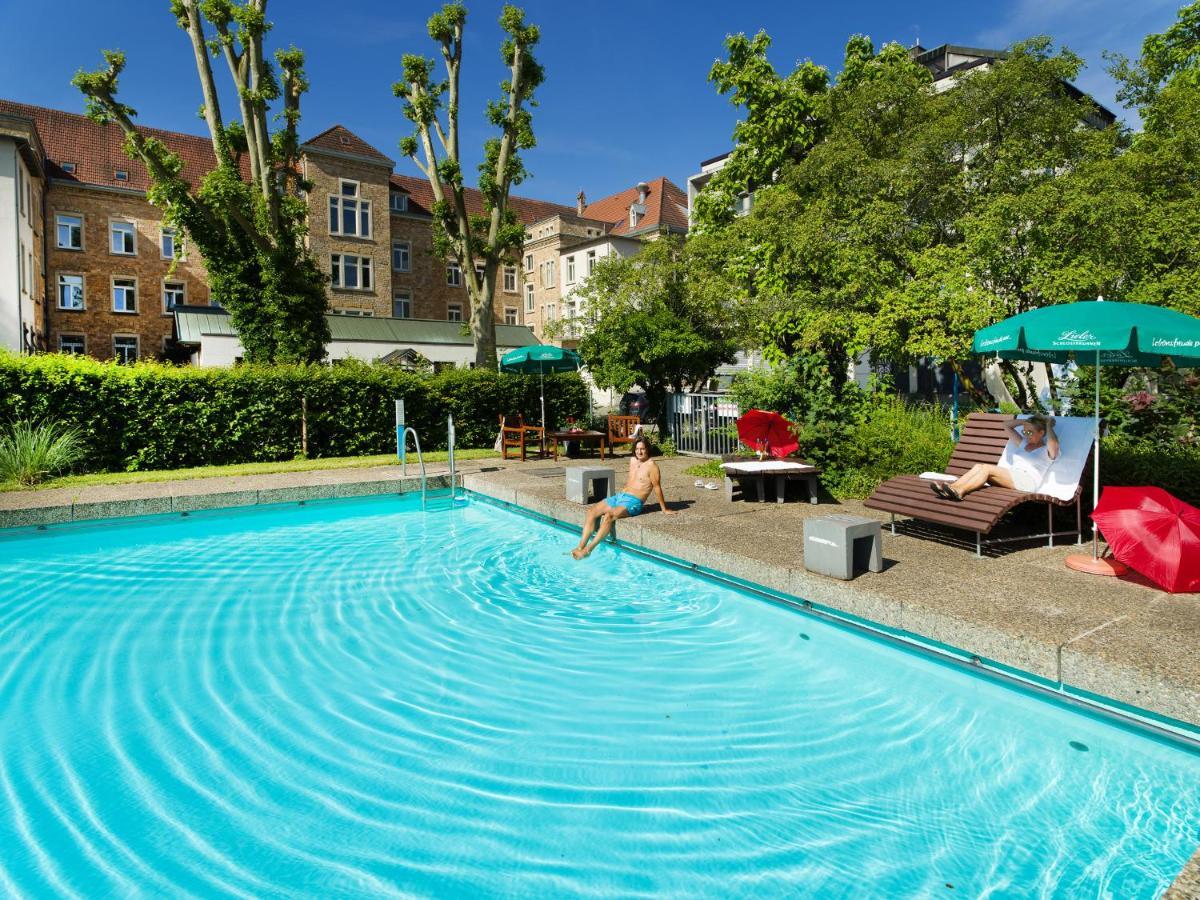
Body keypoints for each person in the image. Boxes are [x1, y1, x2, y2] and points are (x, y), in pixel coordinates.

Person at [572, 435, 675, 559]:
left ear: (648, 449)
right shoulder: (633, 460)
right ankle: (580, 547)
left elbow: (657, 487)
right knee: (591, 511)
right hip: (620, 496)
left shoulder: (652, 466)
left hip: (634, 502)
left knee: (609, 516)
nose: (639, 452)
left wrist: (663, 508)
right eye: (637, 449)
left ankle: (589, 549)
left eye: (642, 449)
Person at [931, 414, 1060, 501]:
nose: (1026, 435)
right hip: (1013, 476)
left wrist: (1048, 424)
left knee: (986, 468)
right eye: (1024, 431)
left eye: (1029, 432)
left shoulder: (1047, 450)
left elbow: (1053, 443)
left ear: (1042, 433)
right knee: (979, 466)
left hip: (1027, 481)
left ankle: (959, 491)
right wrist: (1025, 422)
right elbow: (1006, 425)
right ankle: (952, 488)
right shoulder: (1023, 444)